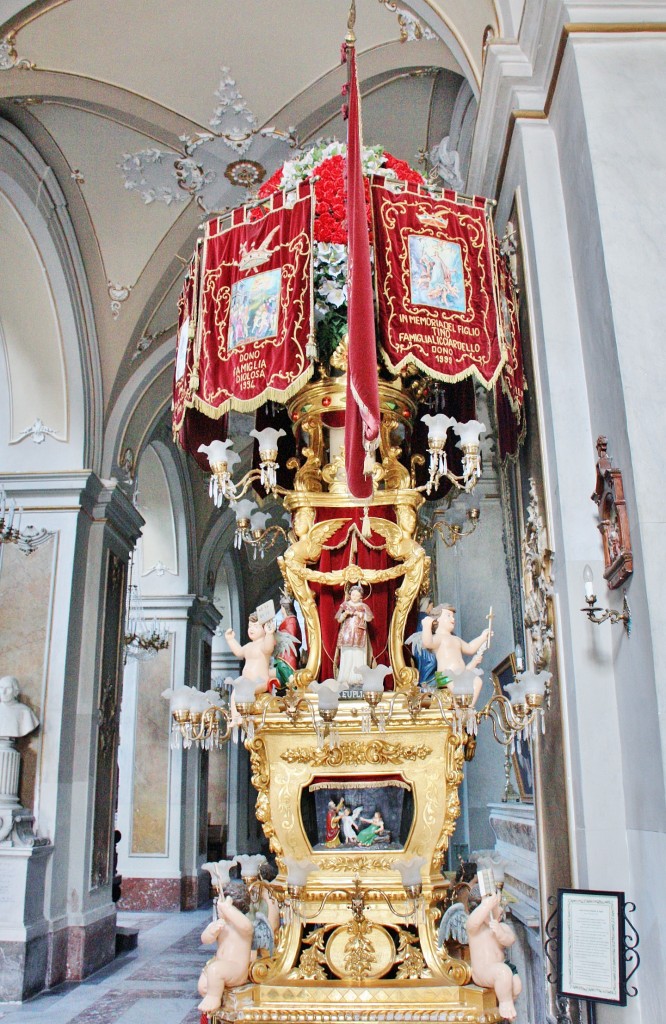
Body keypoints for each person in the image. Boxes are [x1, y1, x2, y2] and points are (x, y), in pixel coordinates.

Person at [467, 892, 522, 1022]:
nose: (501, 910)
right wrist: (486, 905)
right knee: (503, 973)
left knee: (517, 984)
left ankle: (504, 1002)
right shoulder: (475, 929)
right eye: (497, 907)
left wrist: (500, 932)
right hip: (483, 971)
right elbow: (473, 922)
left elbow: (510, 940)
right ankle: (505, 1003)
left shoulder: (501, 926)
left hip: (501, 967)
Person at [421, 605, 490, 706]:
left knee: (477, 681)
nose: (452, 619)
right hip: (444, 676)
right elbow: (427, 643)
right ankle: (461, 705)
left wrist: (483, 637)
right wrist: (426, 626)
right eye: (448, 615)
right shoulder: (438, 638)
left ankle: (469, 708)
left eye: (453, 616)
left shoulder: (456, 639)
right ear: (437, 619)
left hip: (459, 674)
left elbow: (470, 648)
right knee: (458, 686)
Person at [197, 895, 254, 1013]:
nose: (219, 910)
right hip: (219, 965)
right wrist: (211, 932)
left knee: (215, 970)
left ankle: (214, 998)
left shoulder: (244, 927)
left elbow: (246, 926)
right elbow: (204, 939)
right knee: (203, 984)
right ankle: (214, 998)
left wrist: (228, 909)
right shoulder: (221, 924)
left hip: (236, 969)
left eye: (221, 907)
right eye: (219, 907)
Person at [224, 612, 276, 696]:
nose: (251, 629)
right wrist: (230, 640)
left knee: (244, 691)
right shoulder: (249, 646)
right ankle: (234, 710)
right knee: (235, 693)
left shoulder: (263, 644)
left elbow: (268, 648)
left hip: (260, 681)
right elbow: (239, 652)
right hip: (246, 681)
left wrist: (269, 634)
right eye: (250, 626)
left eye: (255, 626)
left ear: (264, 629)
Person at [334, 585, 373, 686]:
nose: (354, 597)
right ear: (350, 594)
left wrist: (361, 615)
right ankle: (345, 677)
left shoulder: (364, 606)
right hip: (347, 633)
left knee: (358, 654)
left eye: (357, 595)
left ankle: (358, 678)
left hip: (359, 634)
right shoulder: (344, 605)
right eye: (353, 594)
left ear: (360, 596)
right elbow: (338, 619)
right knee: (347, 653)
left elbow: (369, 618)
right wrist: (345, 614)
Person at [273, 591, 302, 692]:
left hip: (287, 657)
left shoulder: (291, 621)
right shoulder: (288, 620)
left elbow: (291, 637)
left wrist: (277, 634)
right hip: (282, 656)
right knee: (281, 683)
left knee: (290, 682)